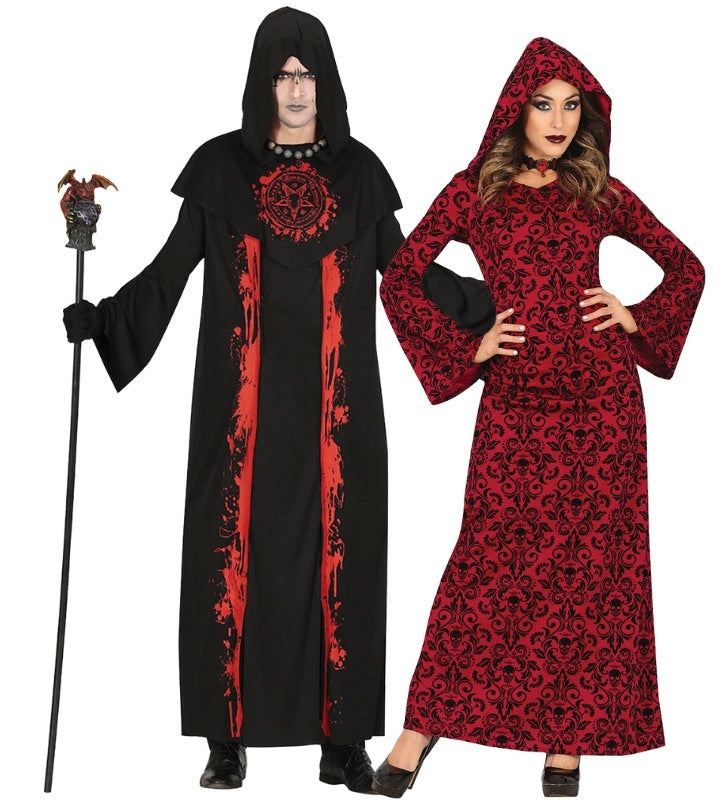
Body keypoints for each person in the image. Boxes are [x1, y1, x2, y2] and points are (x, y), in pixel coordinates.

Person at [62, 7, 491, 792]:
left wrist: (490, 304)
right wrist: (105, 320)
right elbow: (171, 269)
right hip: (239, 413)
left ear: (328, 84)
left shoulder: (359, 174)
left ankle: (343, 741)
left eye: (307, 75)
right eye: (282, 75)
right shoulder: (220, 169)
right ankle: (226, 741)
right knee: (226, 559)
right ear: (262, 84)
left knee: (345, 559)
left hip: (339, 414)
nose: (295, 90)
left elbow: (407, 273)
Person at [373, 37, 704, 798]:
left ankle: (567, 740)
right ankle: (422, 728)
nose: (559, 121)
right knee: (485, 561)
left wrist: (634, 315)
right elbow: (400, 277)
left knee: (590, 570)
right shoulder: (473, 191)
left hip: (603, 405)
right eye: (544, 104)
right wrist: (471, 347)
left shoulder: (597, 189)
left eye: (572, 106)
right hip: (517, 405)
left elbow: (687, 266)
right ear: (515, 110)